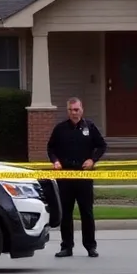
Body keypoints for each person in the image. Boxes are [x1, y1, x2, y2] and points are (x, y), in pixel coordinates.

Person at [46, 97, 106, 258]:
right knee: (66, 213)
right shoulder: (60, 129)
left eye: (77, 109)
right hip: (65, 177)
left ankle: (90, 246)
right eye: (71, 110)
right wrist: (55, 161)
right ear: (68, 111)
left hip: (84, 176)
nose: (74, 113)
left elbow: (101, 145)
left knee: (87, 212)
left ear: (82, 110)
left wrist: (92, 160)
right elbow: (50, 148)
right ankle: (66, 247)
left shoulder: (90, 127)